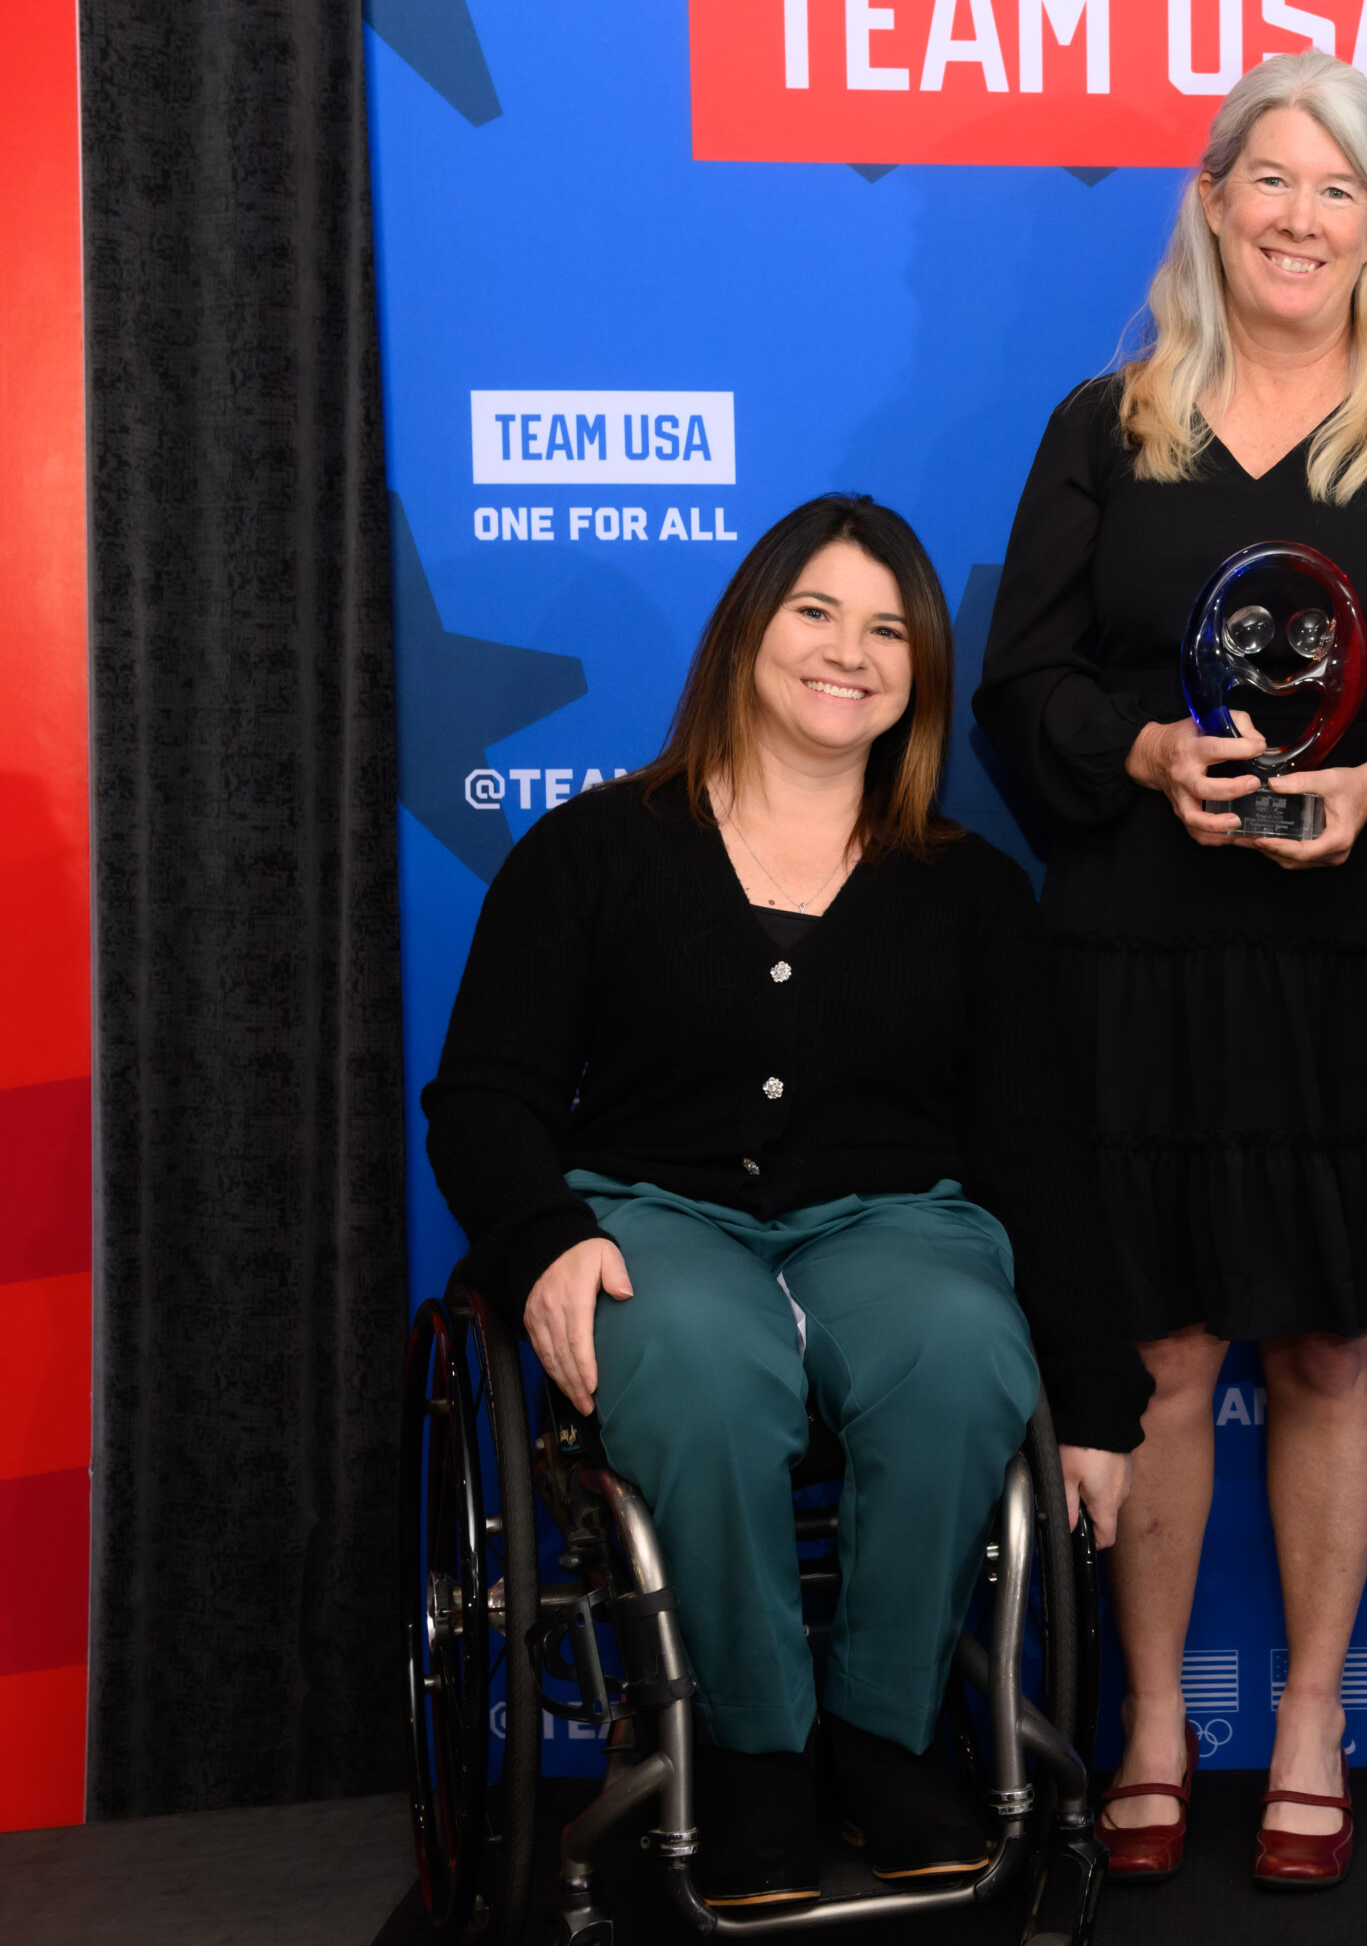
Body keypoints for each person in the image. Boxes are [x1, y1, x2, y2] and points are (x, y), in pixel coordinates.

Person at [975, 52, 1367, 1891]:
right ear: (1210, 201)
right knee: (1157, 1350)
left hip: (1353, 959)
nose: (1300, 218)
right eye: (1269, 181)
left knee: (1326, 1338)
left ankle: (1308, 1716)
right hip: (1141, 953)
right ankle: (1152, 1719)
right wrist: (1145, 757)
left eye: (1340, 191)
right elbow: (1017, 692)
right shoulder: (1102, 427)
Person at [422, 495, 1150, 1907]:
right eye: (816, 610)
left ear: (921, 676)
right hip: (654, 1214)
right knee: (695, 1363)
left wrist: (1101, 1403)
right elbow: (485, 1100)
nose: (850, 651)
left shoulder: (973, 895)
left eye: (889, 629)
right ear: (748, 628)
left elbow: (1039, 1152)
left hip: (891, 1221)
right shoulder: (590, 852)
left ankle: (884, 1736)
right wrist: (543, 1242)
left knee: (955, 1349)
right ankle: (753, 1752)